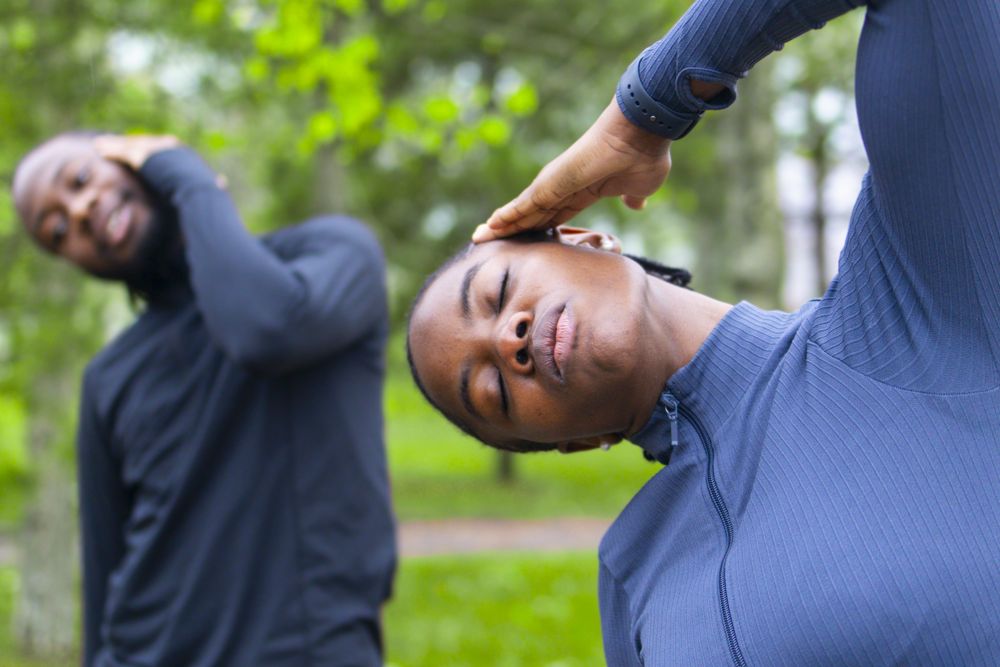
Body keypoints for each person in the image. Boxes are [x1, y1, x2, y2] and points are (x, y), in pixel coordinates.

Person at [407, 0, 1000, 664]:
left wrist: (645, 109)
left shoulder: (919, 295)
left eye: (496, 293)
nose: (506, 340)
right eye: (493, 390)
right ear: (572, 442)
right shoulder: (632, 584)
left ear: (582, 238)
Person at [12, 133, 396, 666]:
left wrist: (188, 178)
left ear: (133, 159)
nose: (79, 211)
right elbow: (104, 568)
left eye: (79, 179)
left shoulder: (327, 256)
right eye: (56, 231)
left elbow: (265, 331)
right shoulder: (108, 378)